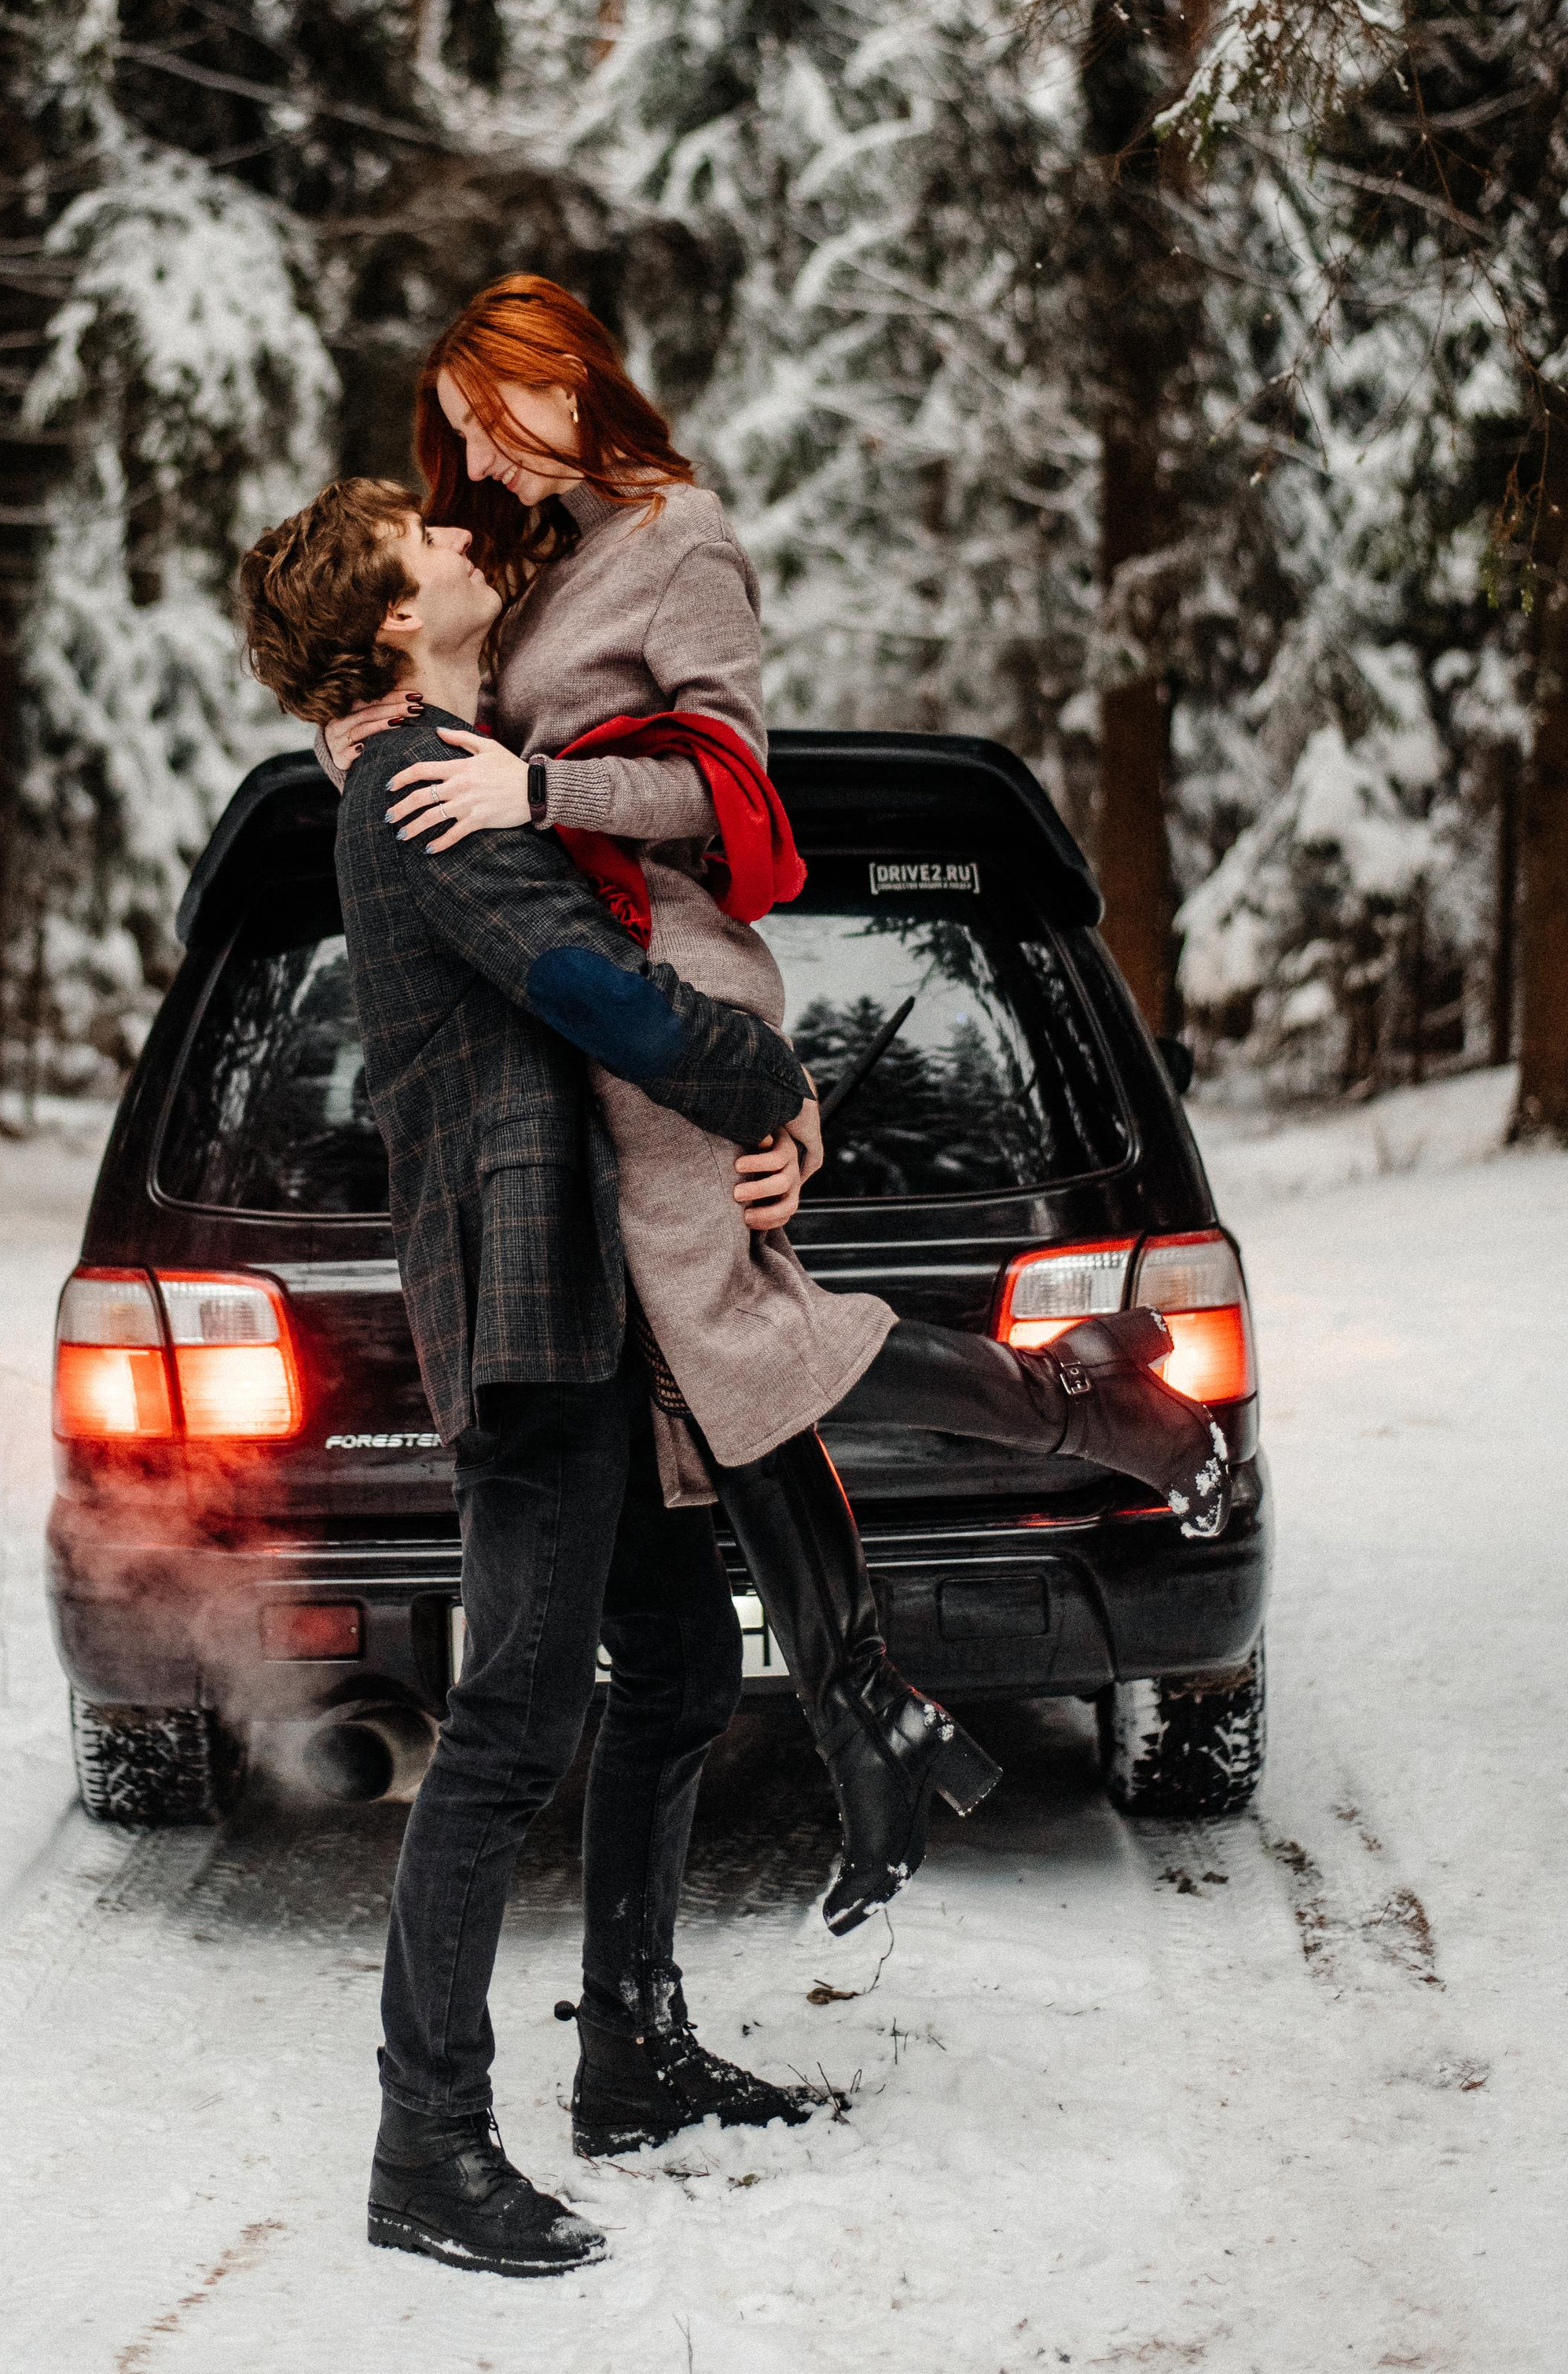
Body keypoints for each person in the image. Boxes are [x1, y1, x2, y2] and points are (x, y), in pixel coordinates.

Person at [316, 275, 1232, 1933]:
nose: (471, 462)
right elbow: (418, 733)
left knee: (727, 1339)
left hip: (664, 984)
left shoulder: (682, 539)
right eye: (449, 437)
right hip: (584, 1002)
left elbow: (728, 783)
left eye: (483, 421)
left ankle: (1065, 1416)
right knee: (706, 1353)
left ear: (561, 383)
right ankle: (866, 1708)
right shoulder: (533, 559)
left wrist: (543, 788)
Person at [238, 476, 823, 2280]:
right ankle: (426, 2149)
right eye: (420, 533)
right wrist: (780, 1086)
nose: (459, 535)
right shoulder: (423, 788)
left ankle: (631, 2057)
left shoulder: (430, 753)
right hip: (528, 1298)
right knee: (503, 1723)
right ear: (391, 617)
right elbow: (603, 995)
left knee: (665, 1658)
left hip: (571, 1287)